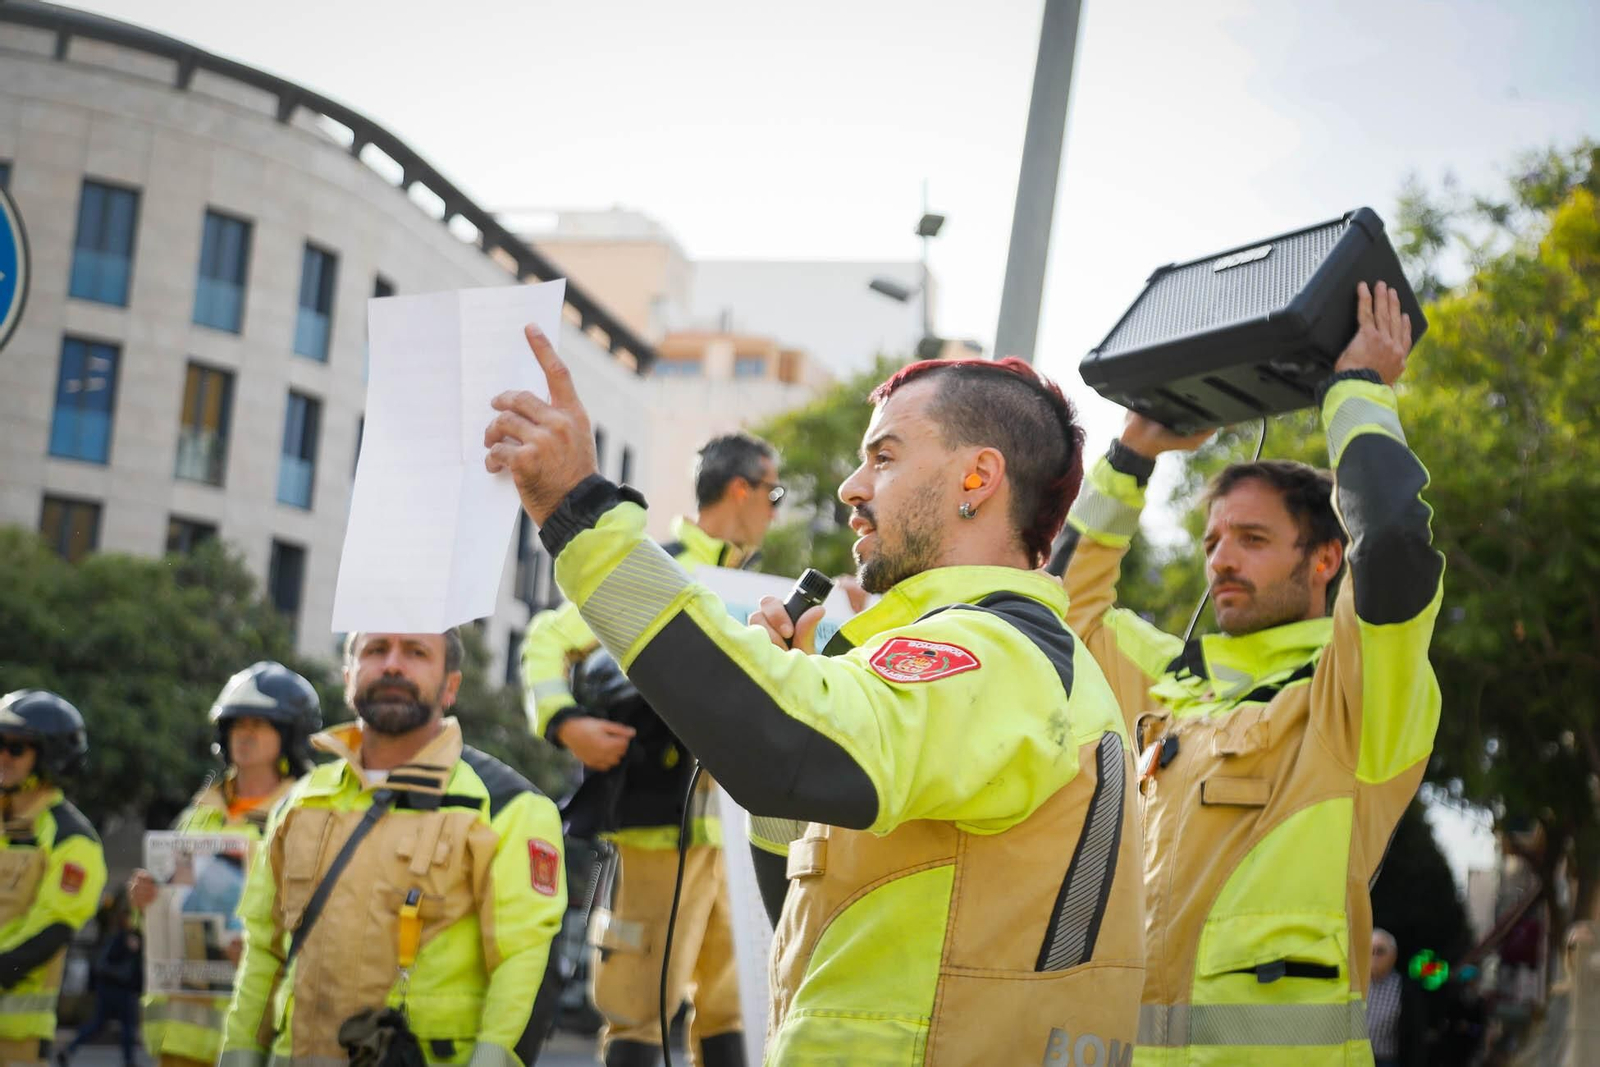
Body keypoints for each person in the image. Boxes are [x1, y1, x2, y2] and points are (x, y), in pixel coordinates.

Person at [485, 329, 1143, 1064]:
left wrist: (581, 512)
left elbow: (786, 753)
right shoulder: (994, 655)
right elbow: (803, 909)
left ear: (978, 477)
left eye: (884, 457)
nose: (851, 488)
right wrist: (789, 697)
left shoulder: (995, 651)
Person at [1053, 281, 1444, 1064]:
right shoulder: (1166, 675)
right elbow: (1055, 616)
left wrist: (1357, 392)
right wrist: (1133, 451)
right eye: (1213, 541)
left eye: (1254, 539)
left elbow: (1396, 543)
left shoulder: (1354, 692)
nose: (1222, 559)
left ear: (1326, 558)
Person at [521, 432, 782, 1067]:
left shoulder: (755, 590)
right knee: (636, 1005)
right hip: (652, 835)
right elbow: (546, 638)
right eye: (774, 493)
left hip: (739, 846)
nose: (777, 510)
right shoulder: (655, 568)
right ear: (739, 490)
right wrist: (564, 722)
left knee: (736, 1009)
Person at [219, 630, 567, 1067]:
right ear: (348, 677)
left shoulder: (508, 806)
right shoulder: (299, 802)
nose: (393, 665)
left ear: (451, 686)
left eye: (417, 652)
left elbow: (523, 967)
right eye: (376, 650)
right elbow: (262, 955)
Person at [128, 661, 321, 1067]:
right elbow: (159, 918)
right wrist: (144, 902)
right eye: (236, 724)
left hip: (251, 1032)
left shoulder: (307, 815)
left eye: (258, 724)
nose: (244, 735)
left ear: (288, 734)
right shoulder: (197, 814)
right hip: (177, 1036)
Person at [0, 690, 107, 1067]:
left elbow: (53, 928)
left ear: (48, 757)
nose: (2, 757)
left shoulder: (71, 836)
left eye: (15, 748)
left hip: (16, 1038)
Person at [57, 904, 143, 1067]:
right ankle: (129, 1061)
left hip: (110, 988)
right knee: (126, 1026)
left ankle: (69, 1049)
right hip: (120, 988)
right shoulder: (125, 938)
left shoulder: (115, 935)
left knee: (99, 1024)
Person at [1367, 928, 1426, 1066]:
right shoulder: (1353, 985)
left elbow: (1415, 1036)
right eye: (1370, 951)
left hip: (1387, 1060)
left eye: (1380, 951)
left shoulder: (1406, 990)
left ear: (1393, 956)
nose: (1374, 956)